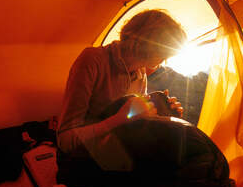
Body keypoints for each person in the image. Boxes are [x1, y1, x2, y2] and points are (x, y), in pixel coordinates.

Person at [56, 9, 187, 172]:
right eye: (163, 54)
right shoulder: (93, 60)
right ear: (148, 45)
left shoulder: (140, 74)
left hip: (115, 149)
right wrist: (119, 119)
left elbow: (133, 122)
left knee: (179, 147)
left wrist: (165, 115)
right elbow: (65, 140)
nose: (164, 61)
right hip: (81, 158)